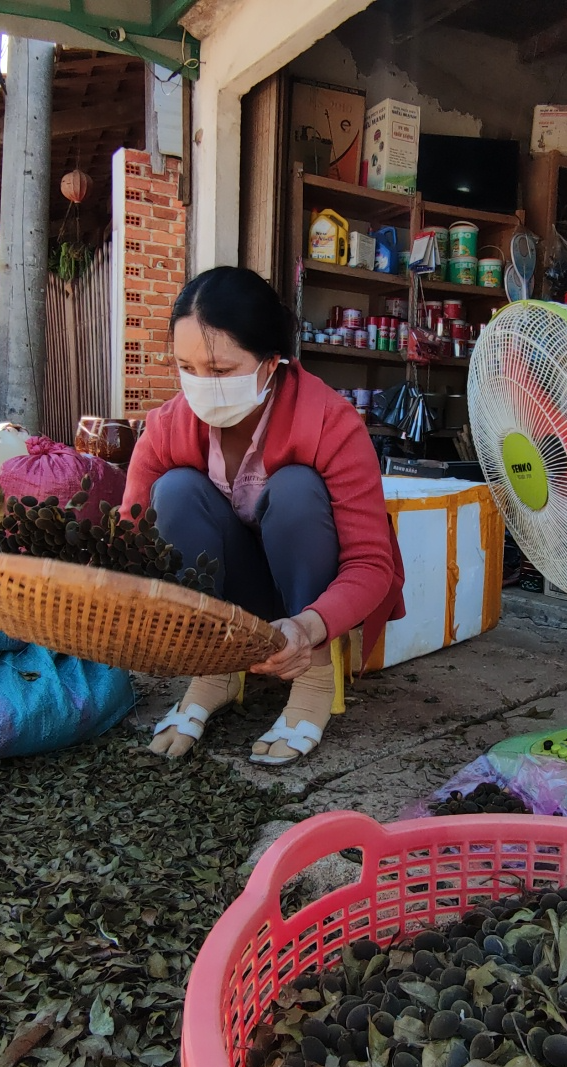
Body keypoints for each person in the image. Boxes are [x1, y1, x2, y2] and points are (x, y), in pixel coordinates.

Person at [122, 267, 405, 764]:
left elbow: (371, 564)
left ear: (271, 365)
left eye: (220, 369)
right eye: (186, 367)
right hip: (233, 597)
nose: (201, 385)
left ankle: (316, 674)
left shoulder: (332, 422)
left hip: (310, 597)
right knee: (176, 491)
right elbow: (129, 538)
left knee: (297, 488)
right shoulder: (167, 427)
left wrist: (311, 626)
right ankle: (214, 667)